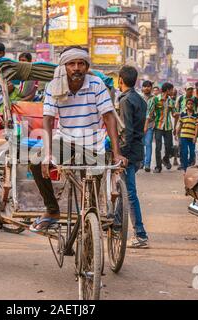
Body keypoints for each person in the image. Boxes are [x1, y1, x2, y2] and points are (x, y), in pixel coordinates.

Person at [29, 46, 127, 232]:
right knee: (35, 161)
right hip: (65, 140)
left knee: (91, 196)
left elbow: (108, 117)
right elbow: (48, 119)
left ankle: (91, 223)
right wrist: (48, 153)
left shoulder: (96, 84)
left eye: (81, 63)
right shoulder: (54, 86)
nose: (76, 68)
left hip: (93, 142)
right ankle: (52, 209)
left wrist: (117, 153)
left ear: (86, 66)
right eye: (71, 64)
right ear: (64, 67)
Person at [118, 66, 149, 248]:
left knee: (129, 193)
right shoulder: (139, 99)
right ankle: (115, 224)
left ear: (120, 80)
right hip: (137, 151)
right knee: (122, 189)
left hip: (129, 153)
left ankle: (140, 234)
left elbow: (127, 131)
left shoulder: (126, 100)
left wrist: (122, 154)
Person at [146, 82, 175, 173]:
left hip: (168, 126)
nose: (173, 91)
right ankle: (158, 166)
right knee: (158, 147)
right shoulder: (154, 99)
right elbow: (149, 113)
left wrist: (177, 115)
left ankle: (166, 159)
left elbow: (174, 113)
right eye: (171, 90)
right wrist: (146, 126)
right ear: (167, 90)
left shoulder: (171, 101)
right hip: (158, 126)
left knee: (169, 146)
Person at [176, 98, 198, 171]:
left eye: (191, 104)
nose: (190, 105)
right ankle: (185, 168)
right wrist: (177, 134)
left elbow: (197, 126)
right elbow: (180, 125)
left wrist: (195, 137)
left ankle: (189, 164)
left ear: (194, 105)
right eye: (188, 104)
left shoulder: (196, 115)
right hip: (183, 136)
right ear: (186, 105)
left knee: (192, 153)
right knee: (185, 152)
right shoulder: (183, 114)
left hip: (192, 137)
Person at [140, 80, 154, 172]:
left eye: (148, 86)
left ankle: (147, 164)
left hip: (150, 125)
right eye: (145, 86)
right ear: (142, 88)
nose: (146, 88)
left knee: (148, 144)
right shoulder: (139, 98)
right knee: (141, 144)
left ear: (151, 88)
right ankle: (141, 162)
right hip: (140, 124)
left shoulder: (154, 99)